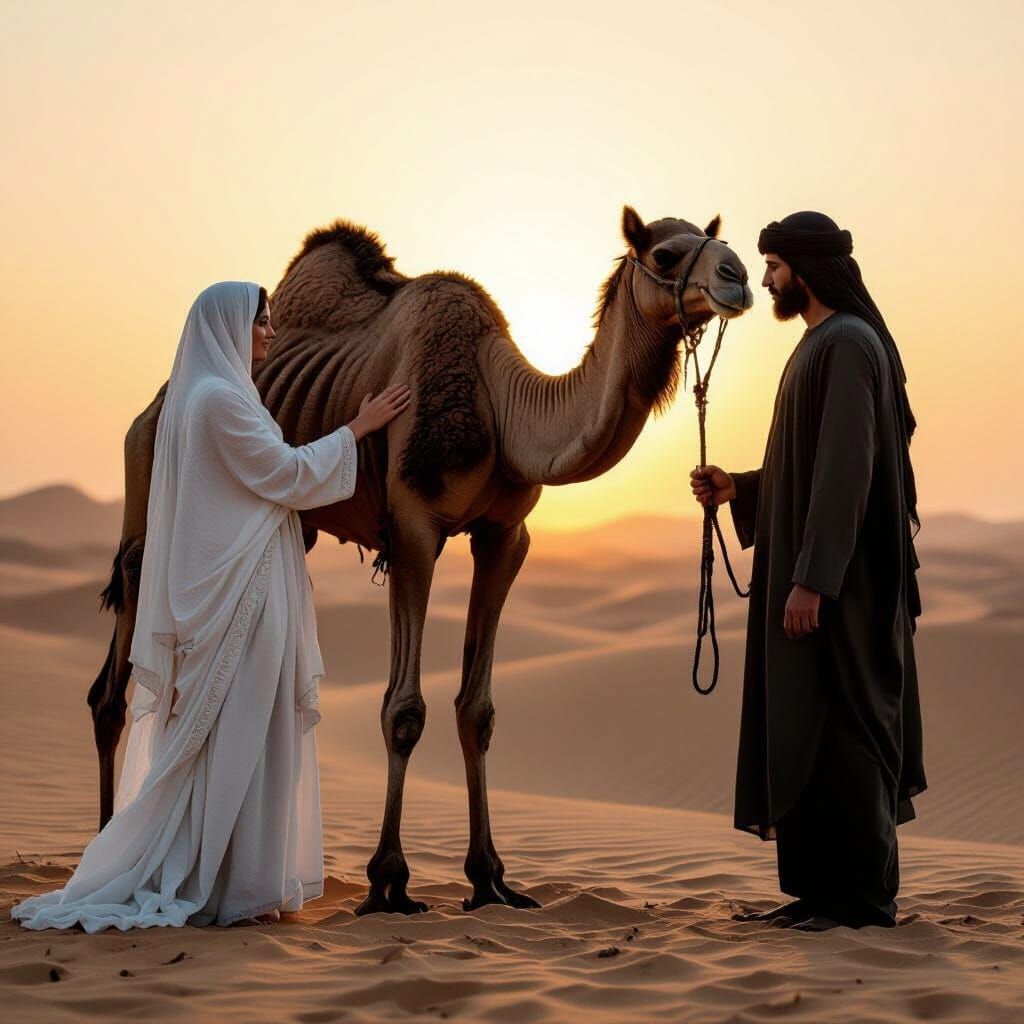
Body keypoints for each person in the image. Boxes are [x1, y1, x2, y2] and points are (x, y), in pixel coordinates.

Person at [12, 281, 411, 931]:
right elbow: (285, 475)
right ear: (229, 325)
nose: (271, 333)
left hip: (247, 591)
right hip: (241, 602)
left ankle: (236, 879)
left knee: (251, 736)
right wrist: (357, 430)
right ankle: (224, 886)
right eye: (262, 321)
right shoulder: (219, 401)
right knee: (243, 734)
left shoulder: (217, 396)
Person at [690, 212, 926, 931]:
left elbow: (847, 471)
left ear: (806, 269)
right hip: (818, 579)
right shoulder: (821, 343)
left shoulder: (849, 344)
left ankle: (859, 899)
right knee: (811, 726)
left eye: (773, 266)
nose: (763, 279)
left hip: (844, 587)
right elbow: (809, 461)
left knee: (848, 724)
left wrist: (814, 580)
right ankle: (823, 894)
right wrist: (744, 488)